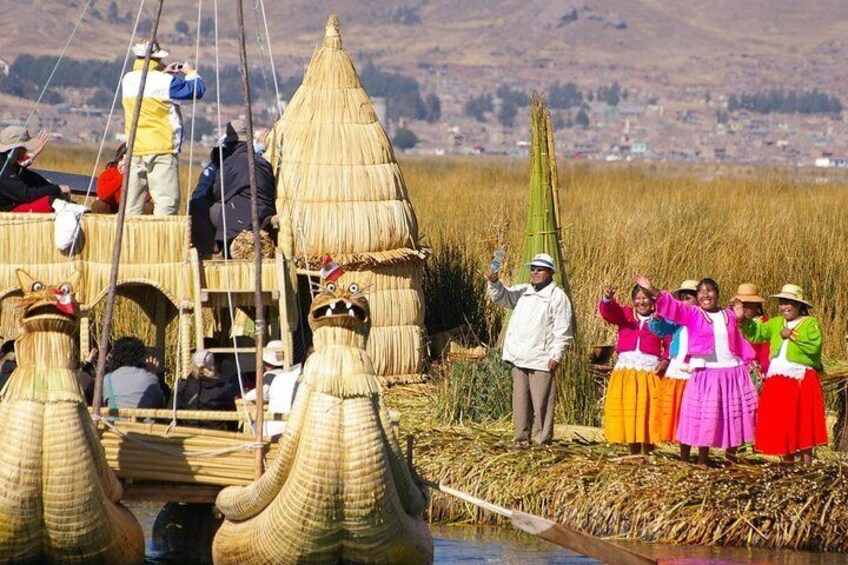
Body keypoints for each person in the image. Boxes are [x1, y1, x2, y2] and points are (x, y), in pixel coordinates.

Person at [635, 275, 757, 466]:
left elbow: (744, 335)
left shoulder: (729, 315)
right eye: (701, 291)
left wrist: (741, 319)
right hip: (706, 372)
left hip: (731, 371)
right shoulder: (693, 314)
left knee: (733, 416)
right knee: (703, 417)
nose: (705, 295)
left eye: (709, 290)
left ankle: (731, 460)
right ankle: (702, 462)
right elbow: (673, 307)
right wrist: (652, 290)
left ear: (717, 294)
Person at [487, 252, 573, 447]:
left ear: (550, 272)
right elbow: (503, 297)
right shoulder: (524, 291)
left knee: (542, 404)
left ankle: (541, 440)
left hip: (541, 359)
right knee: (520, 403)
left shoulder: (557, 297)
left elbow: (563, 330)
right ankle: (521, 440)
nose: (535, 272)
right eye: (533, 269)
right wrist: (494, 282)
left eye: (539, 269)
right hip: (519, 357)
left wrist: (556, 355)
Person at [738, 284, 827, 464]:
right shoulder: (776, 322)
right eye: (782, 302)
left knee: (803, 421)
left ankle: (806, 464)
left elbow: (814, 345)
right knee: (783, 421)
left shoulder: (810, 323)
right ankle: (787, 463)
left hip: (800, 377)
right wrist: (744, 320)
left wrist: (792, 335)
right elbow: (756, 335)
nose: (784, 307)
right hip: (777, 378)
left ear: (799, 305)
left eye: (789, 303)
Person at [122, 40, 206, 216]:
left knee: (132, 205)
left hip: (135, 148)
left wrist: (163, 73)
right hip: (162, 147)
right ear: (157, 59)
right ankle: (162, 242)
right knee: (166, 202)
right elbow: (196, 91)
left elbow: (150, 85)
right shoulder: (164, 82)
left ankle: (128, 240)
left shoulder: (128, 80)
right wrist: (190, 72)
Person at [599, 284, 669, 455]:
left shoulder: (660, 319)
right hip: (627, 371)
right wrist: (607, 299)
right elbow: (609, 312)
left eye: (645, 298)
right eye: (637, 298)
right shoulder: (626, 314)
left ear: (652, 301)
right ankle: (634, 453)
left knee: (648, 411)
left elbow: (669, 341)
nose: (641, 302)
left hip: (649, 372)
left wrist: (666, 359)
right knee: (630, 411)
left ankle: (649, 451)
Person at [190, 119, 276, 255]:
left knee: (197, 206)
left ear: (230, 143)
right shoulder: (263, 161)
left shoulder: (229, 163)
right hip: (265, 214)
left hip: (242, 219)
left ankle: (208, 250)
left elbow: (218, 193)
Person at [648, 279, 698, 461]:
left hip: (696, 373)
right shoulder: (677, 322)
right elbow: (658, 329)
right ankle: (684, 456)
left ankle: (702, 457)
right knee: (680, 414)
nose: (685, 301)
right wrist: (659, 314)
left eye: (689, 297)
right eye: (682, 298)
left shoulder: (704, 320)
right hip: (677, 371)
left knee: (696, 416)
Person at [0, 125, 70, 212]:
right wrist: (57, 189)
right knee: (51, 201)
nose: (26, 150)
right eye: (25, 147)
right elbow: (26, 195)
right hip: (5, 214)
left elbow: (26, 171)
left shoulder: (10, 164)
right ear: (17, 148)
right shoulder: (3, 167)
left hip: (12, 206)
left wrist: (51, 187)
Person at [170, 349, 236, 431]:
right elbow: (233, 421)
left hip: (188, 435)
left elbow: (170, 414)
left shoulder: (183, 387)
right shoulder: (223, 389)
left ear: (193, 365)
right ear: (213, 365)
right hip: (216, 438)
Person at [102, 336, 166, 409]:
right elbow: (161, 404)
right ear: (141, 356)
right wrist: (153, 373)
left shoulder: (107, 379)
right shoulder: (150, 377)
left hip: (115, 420)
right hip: (142, 420)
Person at [733, 283, 770, 381]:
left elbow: (766, 351)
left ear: (756, 304)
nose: (743, 308)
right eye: (741, 305)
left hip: (756, 373)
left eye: (747, 304)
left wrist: (762, 370)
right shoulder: (734, 324)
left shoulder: (765, 323)